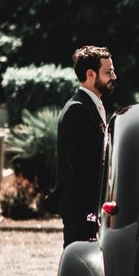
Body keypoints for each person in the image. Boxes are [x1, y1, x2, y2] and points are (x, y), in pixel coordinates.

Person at [48, 45, 116, 248]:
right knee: (78, 264)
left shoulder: (93, 105)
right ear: (90, 74)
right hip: (80, 207)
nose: (114, 77)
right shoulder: (77, 109)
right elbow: (80, 162)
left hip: (90, 206)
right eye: (109, 72)